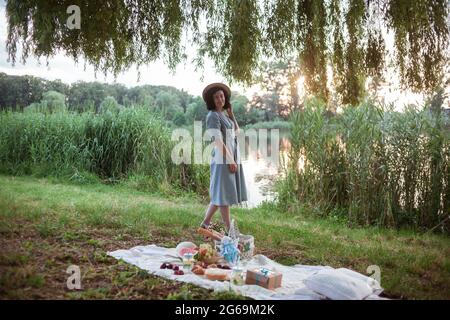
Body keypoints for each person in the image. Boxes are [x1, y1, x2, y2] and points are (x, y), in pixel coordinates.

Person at [200, 82, 248, 235]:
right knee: (224, 195)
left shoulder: (223, 115)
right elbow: (218, 141)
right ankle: (230, 230)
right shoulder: (212, 116)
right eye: (216, 97)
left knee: (219, 194)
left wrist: (231, 113)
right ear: (211, 100)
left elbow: (236, 130)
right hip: (223, 158)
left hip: (228, 156)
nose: (220, 99)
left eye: (221, 96)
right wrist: (230, 160)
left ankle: (205, 224)